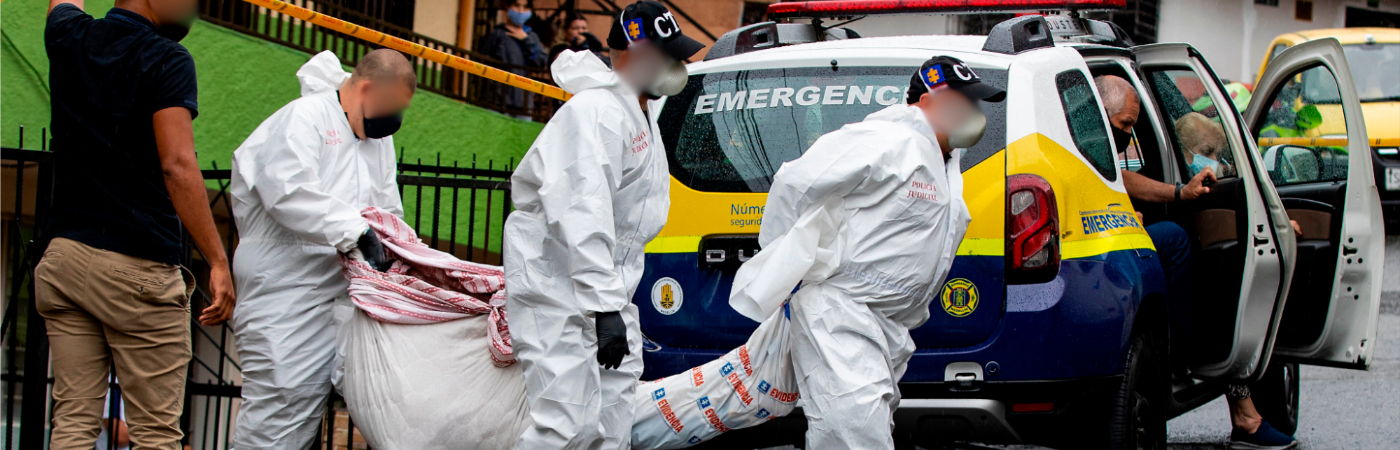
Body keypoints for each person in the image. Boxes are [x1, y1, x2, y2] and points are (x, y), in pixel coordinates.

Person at [730, 56, 999, 449]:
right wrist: (785, 261)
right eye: (965, 102)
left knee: (857, 428)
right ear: (927, 102)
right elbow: (796, 182)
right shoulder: (887, 140)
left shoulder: (944, 164)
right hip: (841, 313)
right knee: (855, 435)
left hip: (887, 326)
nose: (975, 113)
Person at [36, 0, 236, 448]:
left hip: (65, 258)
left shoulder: (69, 35)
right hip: (138, 267)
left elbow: (62, 4)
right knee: (156, 434)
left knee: (72, 423)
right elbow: (178, 166)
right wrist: (217, 260)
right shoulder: (166, 58)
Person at [502, 1, 701, 448]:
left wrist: (610, 304)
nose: (677, 64)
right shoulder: (595, 113)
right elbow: (581, 212)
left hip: (603, 294)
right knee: (566, 426)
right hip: (559, 295)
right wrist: (604, 306)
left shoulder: (638, 113)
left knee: (612, 423)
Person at [1095, 75, 1299, 450]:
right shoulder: (1082, 144)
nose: (1126, 134)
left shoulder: (1087, 143)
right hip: (1097, 259)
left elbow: (1116, 178)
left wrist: (1176, 192)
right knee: (1174, 238)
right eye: (1124, 125)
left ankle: (1236, 401)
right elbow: (1111, 180)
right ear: (1100, 114)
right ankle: (1190, 353)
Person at [227, 49, 412, 449]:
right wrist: (357, 233)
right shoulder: (303, 117)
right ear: (364, 89)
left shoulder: (376, 141)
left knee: (324, 413)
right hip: (283, 293)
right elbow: (287, 191)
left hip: (338, 294)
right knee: (278, 410)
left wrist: (401, 246)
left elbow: (385, 209)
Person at [481, 0, 549, 119]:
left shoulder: (532, 37)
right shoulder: (498, 34)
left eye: (525, 7)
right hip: (497, 103)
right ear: (507, 7)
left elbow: (540, 62)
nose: (521, 11)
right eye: (516, 6)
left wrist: (526, 40)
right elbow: (483, 65)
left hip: (524, 105)